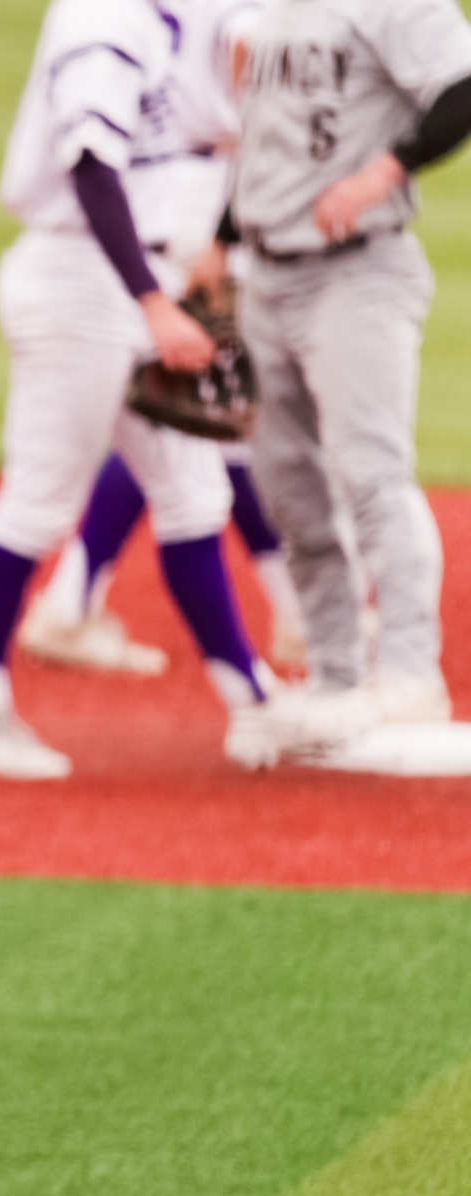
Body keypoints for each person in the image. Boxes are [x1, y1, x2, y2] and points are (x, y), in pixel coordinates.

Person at [0, 0, 287, 780]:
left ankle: (252, 696)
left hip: (134, 275)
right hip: (85, 280)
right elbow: (90, 163)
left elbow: (205, 135)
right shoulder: (103, 19)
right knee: (41, 498)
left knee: (194, 493)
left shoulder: (162, 19)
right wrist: (153, 301)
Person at [220, 0, 471, 729]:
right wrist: (221, 234)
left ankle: (410, 673)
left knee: (371, 472)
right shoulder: (276, 10)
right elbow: (268, 138)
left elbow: (462, 84)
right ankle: (335, 676)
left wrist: (382, 172)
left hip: (356, 275)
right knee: (289, 490)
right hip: (265, 278)